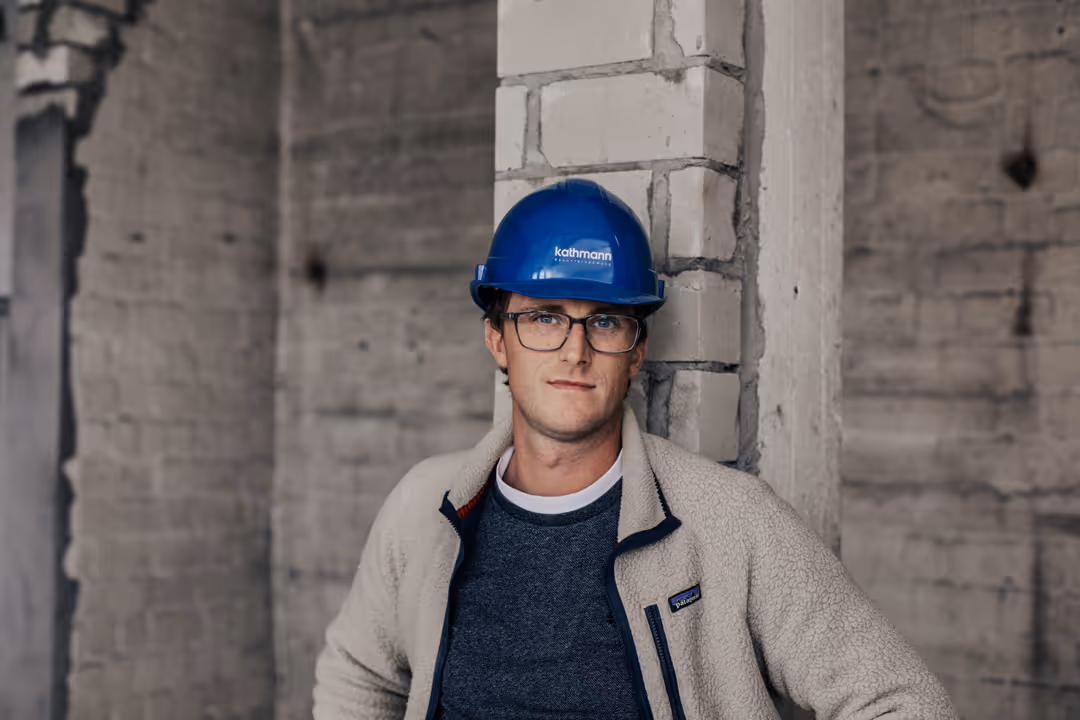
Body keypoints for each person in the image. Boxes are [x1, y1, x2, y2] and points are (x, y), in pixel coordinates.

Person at [312, 179, 959, 720]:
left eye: (604, 320)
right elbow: (358, 681)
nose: (575, 349)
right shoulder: (423, 509)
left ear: (637, 350)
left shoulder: (728, 522)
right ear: (496, 338)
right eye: (543, 316)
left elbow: (903, 702)